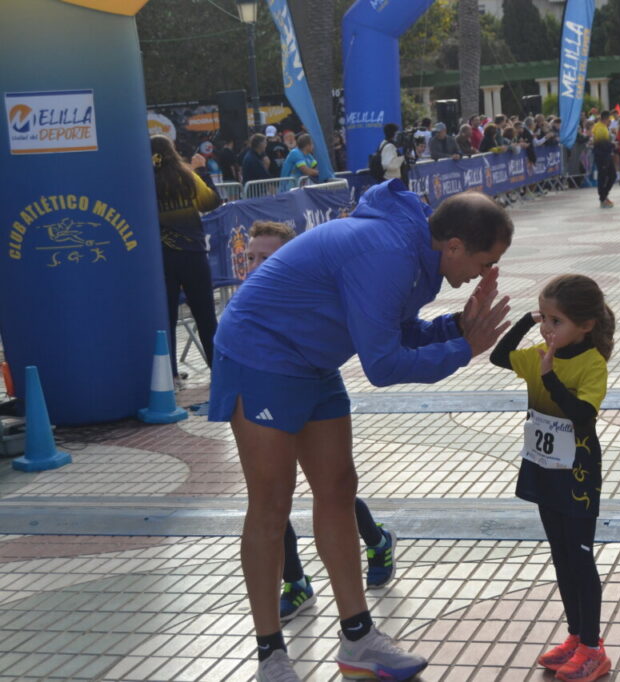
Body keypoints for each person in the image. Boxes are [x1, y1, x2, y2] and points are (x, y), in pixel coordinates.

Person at [209, 185, 514, 682]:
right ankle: (271, 656)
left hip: (313, 360)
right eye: (484, 263)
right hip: (258, 355)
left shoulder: (417, 252)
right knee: (271, 502)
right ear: (454, 245)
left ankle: (358, 638)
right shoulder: (389, 252)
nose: (484, 275)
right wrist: (464, 349)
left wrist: (457, 327)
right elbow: (383, 364)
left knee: (337, 489)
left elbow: (395, 329)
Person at [242, 220, 400, 624]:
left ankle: (377, 540)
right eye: (251, 258)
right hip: (265, 395)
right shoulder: (246, 306)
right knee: (270, 499)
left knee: (330, 488)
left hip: (311, 393)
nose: (258, 267)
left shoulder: (310, 297)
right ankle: (295, 583)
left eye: (269, 258)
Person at [489, 274, 616, 682]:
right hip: (544, 467)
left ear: (585, 325)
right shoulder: (542, 350)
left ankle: (594, 648)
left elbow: (583, 415)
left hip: (577, 473)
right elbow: (498, 356)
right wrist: (528, 322)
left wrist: (548, 379)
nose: (547, 328)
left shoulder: (591, 362)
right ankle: (576, 636)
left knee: (579, 556)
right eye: (544, 318)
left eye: (556, 321)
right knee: (560, 555)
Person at [150, 134, 222, 384]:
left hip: (161, 258)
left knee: (166, 318)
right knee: (205, 315)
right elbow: (211, 202)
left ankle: (169, 376)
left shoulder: (144, 181)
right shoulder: (186, 176)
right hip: (193, 254)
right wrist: (202, 171)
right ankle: (218, 370)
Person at [591, 111, 615, 208]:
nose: (610, 121)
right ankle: (602, 198)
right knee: (603, 177)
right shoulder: (600, 128)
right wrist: (613, 145)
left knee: (612, 175)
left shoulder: (602, 126)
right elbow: (602, 144)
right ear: (606, 118)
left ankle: (604, 195)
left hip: (605, 155)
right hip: (602, 156)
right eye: (609, 119)